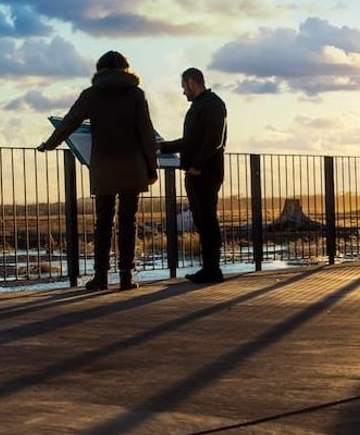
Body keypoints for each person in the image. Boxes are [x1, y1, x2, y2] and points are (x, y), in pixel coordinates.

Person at [37, 51, 157, 292]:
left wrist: (49, 144)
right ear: (126, 68)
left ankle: (101, 277)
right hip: (132, 165)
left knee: (103, 222)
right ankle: (126, 277)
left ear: (100, 69)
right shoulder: (136, 94)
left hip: (104, 165)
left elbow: (69, 122)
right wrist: (151, 167)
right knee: (128, 221)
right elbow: (146, 131)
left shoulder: (91, 94)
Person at [159, 68, 227, 284]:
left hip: (205, 172)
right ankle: (209, 268)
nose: (183, 92)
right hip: (194, 172)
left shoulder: (213, 104)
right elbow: (189, 141)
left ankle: (212, 269)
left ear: (191, 82)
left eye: (183, 87)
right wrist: (163, 147)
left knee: (207, 219)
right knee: (201, 219)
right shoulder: (200, 105)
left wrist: (197, 165)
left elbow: (214, 139)